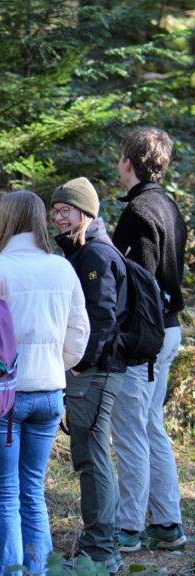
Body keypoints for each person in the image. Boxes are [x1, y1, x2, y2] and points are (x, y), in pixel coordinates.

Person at [0, 190, 89, 576]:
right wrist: (55, 366)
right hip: (50, 392)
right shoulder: (61, 268)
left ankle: (10, 572)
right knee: (32, 490)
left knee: (4, 492)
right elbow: (79, 332)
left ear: (4, 220)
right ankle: (41, 570)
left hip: (5, 396)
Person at [111, 127, 188, 552]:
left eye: (121, 157)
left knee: (130, 431)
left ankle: (127, 528)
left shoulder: (139, 213)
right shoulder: (169, 206)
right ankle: (167, 523)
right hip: (169, 329)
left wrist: (128, 340)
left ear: (129, 162)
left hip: (146, 336)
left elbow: (138, 285)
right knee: (150, 425)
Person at [51, 177, 128, 574]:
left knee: (92, 458)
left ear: (85, 212)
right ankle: (99, 545)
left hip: (96, 372)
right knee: (90, 456)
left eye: (66, 210)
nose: (59, 218)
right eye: (56, 211)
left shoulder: (96, 254)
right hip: (92, 370)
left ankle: (100, 552)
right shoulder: (83, 251)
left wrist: (79, 364)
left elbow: (103, 318)